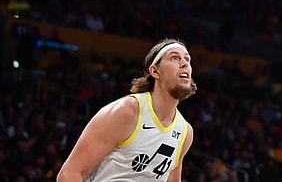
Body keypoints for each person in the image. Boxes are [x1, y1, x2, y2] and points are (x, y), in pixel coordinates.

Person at [57, 38, 195, 181]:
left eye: (187, 59)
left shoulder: (184, 132)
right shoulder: (127, 112)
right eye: (175, 58)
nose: (185, 63)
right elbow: (69, 173)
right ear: (155, 71)